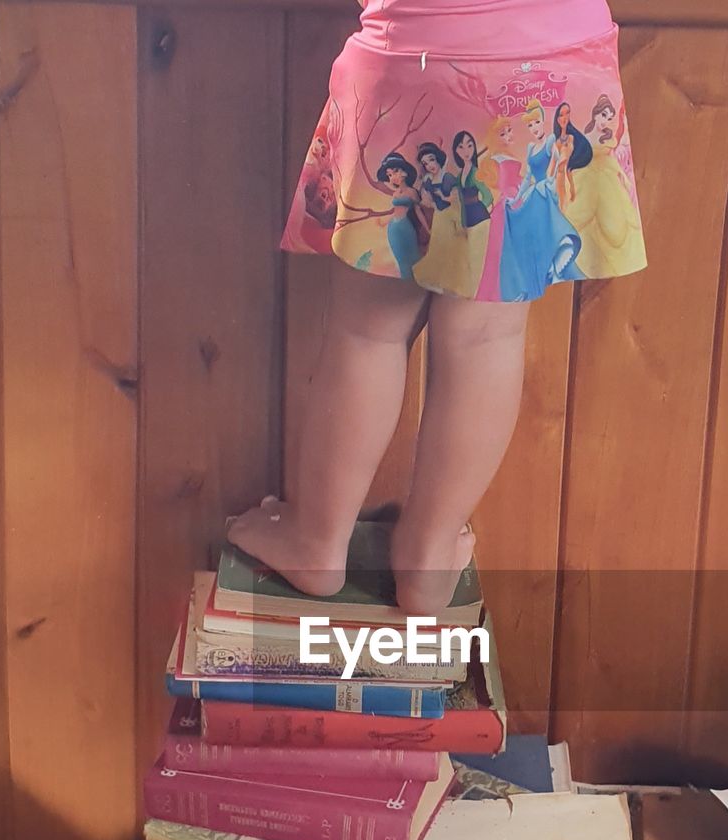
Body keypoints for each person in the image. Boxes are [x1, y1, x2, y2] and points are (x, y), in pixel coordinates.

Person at [229, 0, 647, 614]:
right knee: (486, 339)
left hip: (416, 59)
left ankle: (315, 541)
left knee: (366, 332)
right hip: (556, 69)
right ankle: (427, 563)